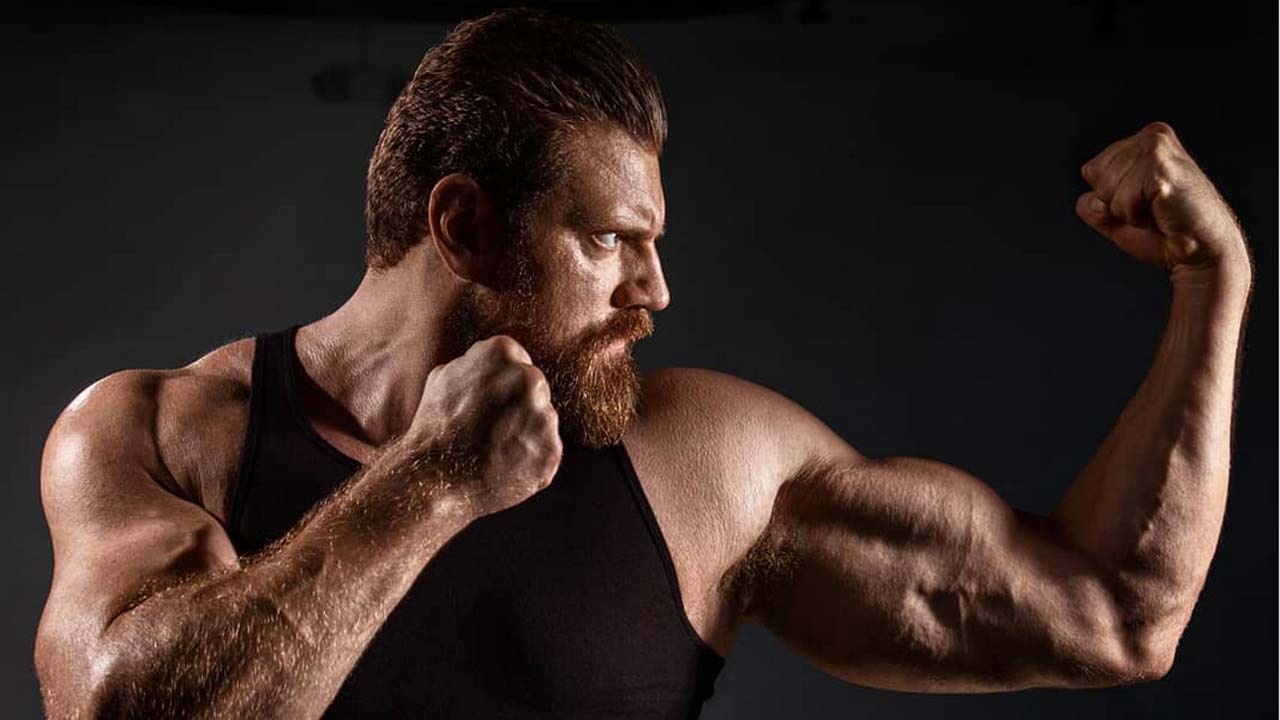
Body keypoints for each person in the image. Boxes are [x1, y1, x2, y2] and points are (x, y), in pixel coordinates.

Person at [33, 8, 1253, 719]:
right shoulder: (165, 436)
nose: (654, 292)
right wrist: (427, 484)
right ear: (462, 226)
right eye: (611, 240)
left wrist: (1214, 286)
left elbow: (1112, 616)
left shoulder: (701, 465)